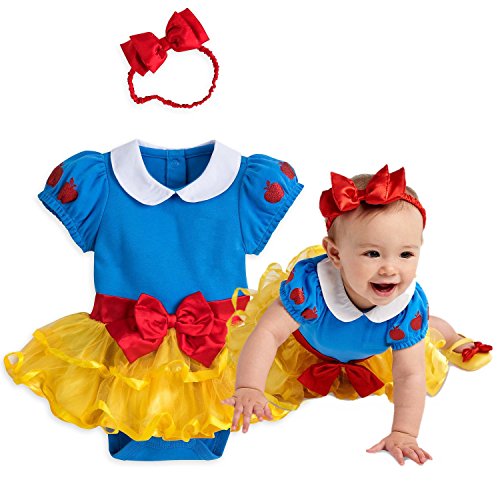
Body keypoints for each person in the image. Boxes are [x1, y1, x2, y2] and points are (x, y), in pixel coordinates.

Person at [223, 165, 492, 466]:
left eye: (406, 254)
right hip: (307, 347)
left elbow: (409, 374)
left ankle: (453, 339)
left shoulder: (406, 308)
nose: (390, 269)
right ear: (335, 254)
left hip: (370, 352)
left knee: (425, 330)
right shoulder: (311, 288)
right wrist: (249, 387)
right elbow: (269, 333)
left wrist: (404, 433)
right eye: (372, 254)